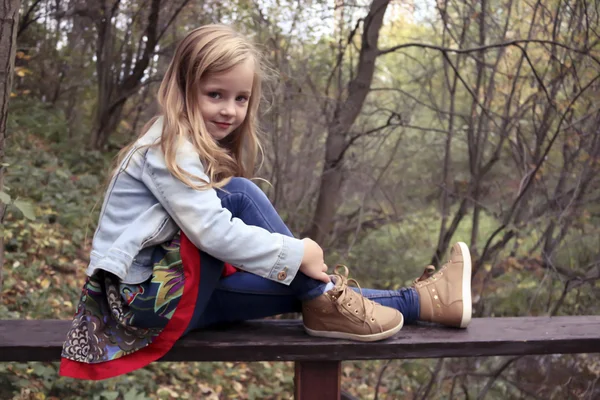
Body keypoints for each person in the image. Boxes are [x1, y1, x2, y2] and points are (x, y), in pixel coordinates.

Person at [59, 24, 472, 381]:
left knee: (305, 293)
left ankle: (427, 303)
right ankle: (372, 298)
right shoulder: (167, 146)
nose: (229, 110)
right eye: (215, 94)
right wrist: (297, 252)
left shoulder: (181, 143)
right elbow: (212, 232)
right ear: (183, 89)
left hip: (158, 302)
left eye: (240, 99)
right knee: (241, 196)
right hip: (140, 304)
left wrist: (292, 265)